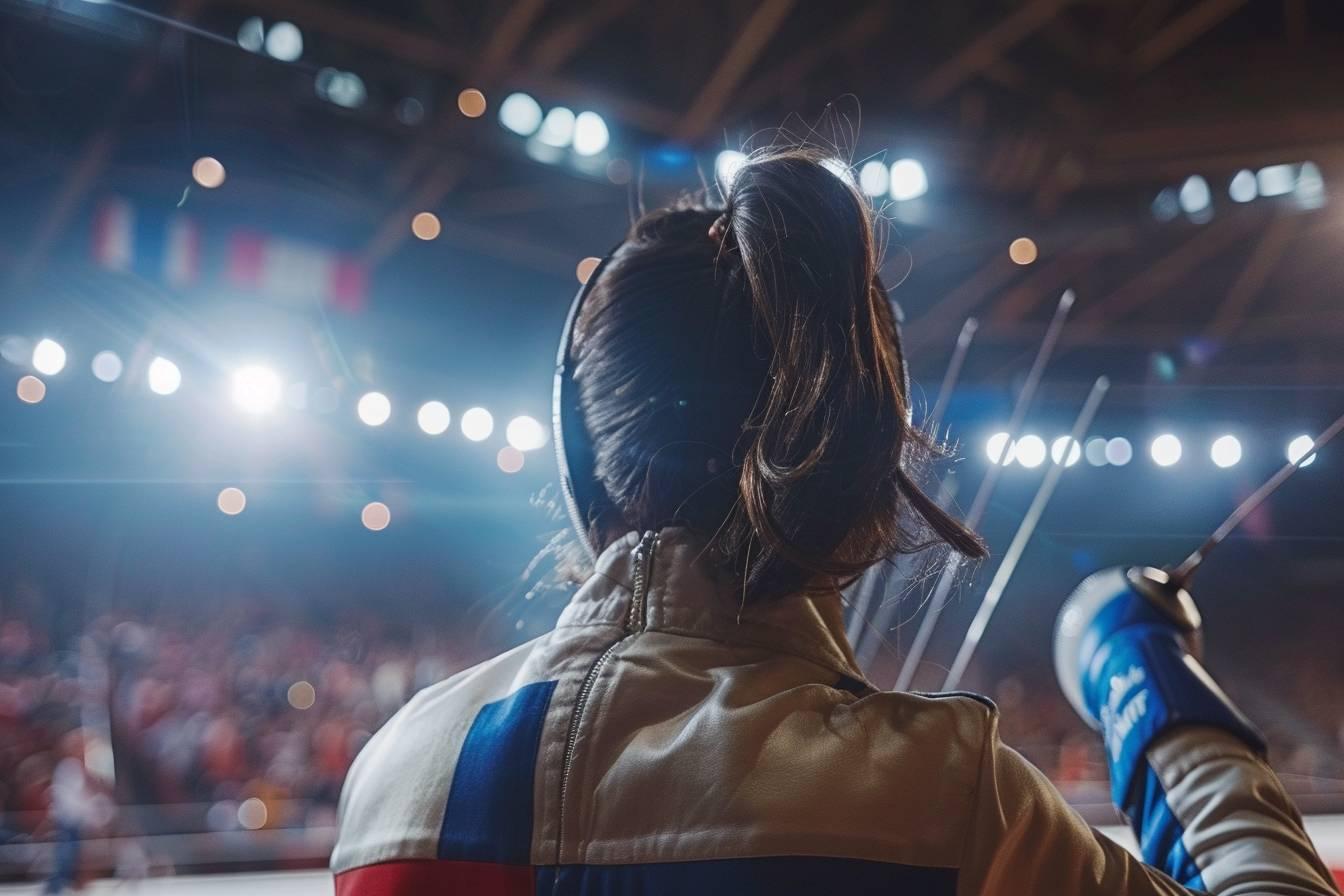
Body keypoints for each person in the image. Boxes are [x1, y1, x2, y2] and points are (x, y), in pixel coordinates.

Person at [331, 149, 1337, 894]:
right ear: (866, 465)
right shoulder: (944, 800)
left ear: (578, 450)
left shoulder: (395, 779)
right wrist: (1145, 674)